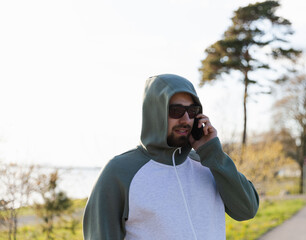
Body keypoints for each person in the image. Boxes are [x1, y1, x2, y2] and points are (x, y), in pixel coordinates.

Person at [83, 74, 259, 240]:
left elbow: (247, 210)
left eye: (192, 111)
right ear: (155, 112)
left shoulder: (209, 163)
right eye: (176, 110)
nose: (186, 119)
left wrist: (213, 153)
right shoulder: (120, 171)